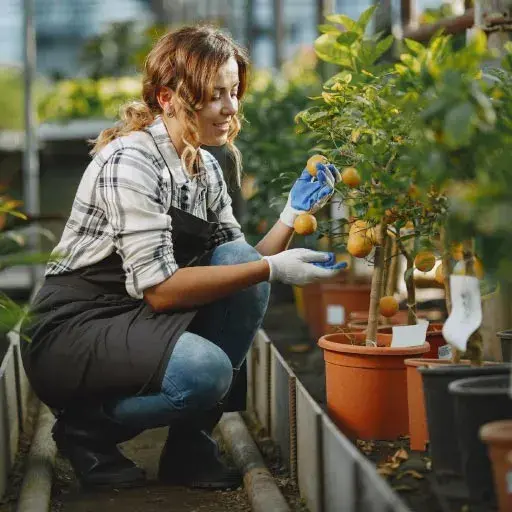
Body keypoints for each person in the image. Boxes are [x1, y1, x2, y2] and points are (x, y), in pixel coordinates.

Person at [21, 25, 345, 491]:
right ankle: (87, 431)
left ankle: (190, 450)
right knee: (204, 371)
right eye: (214, 96)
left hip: (136, 320)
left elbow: (242, 269)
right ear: (168, 97)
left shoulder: (205, 165)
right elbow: (159, 292)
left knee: (237, 260)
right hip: (76, 329)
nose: (231, 108)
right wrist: (272, 268)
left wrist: (292, 216)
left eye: (233, 93)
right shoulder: (131, 161)